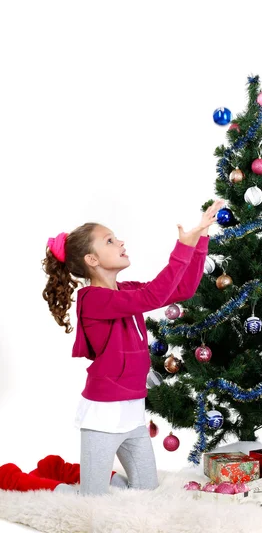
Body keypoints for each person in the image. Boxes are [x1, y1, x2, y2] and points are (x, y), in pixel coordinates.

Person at [0, 199, 224, 495]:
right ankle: (14, 480)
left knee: (144, 491)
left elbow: (182, 290)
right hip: (103, 416)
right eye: (109, 240)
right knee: (90, 501)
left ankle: (65, 470)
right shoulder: (93, 298)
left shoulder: (126, 290)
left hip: (132, 414)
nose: (120, 242)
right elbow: (154, 296)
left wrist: (200, 240)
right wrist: (183, 246)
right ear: (92, 260)